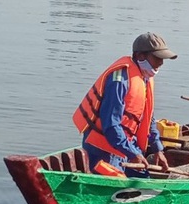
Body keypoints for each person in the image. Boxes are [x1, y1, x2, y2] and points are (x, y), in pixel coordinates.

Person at [72, 32, 177, 177]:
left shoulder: (144, 76)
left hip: (124, 145)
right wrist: (132, 152)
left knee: (143, 179)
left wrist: (158, 148)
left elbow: (148, 118)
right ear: (140, 56)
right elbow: (111, 124)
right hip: (104, 149)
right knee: (115, 188)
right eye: (157, 58)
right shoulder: (119, 80)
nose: (161, 63)